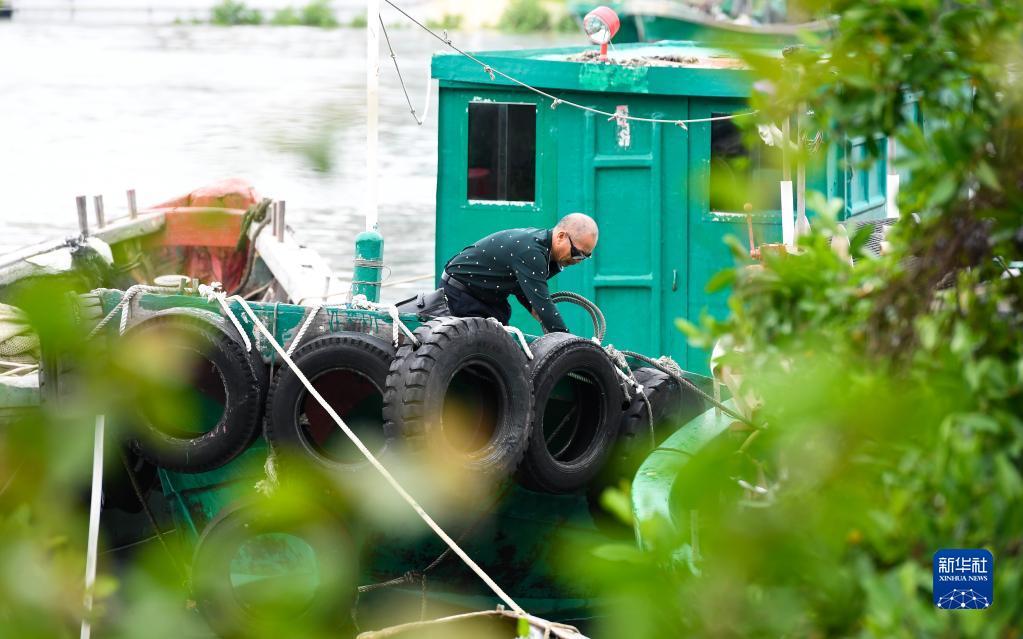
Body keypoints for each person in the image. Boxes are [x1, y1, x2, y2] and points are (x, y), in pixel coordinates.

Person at [440, 213, 598, 334]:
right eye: (577, 253)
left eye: (586, 257)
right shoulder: (532, 252)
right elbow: (544, 306)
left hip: (489, 299)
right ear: (561, 236)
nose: (579, 260)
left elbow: (525, 289)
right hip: (461, 294)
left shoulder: (545, 251)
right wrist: (572, 345)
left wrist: (534, 308)